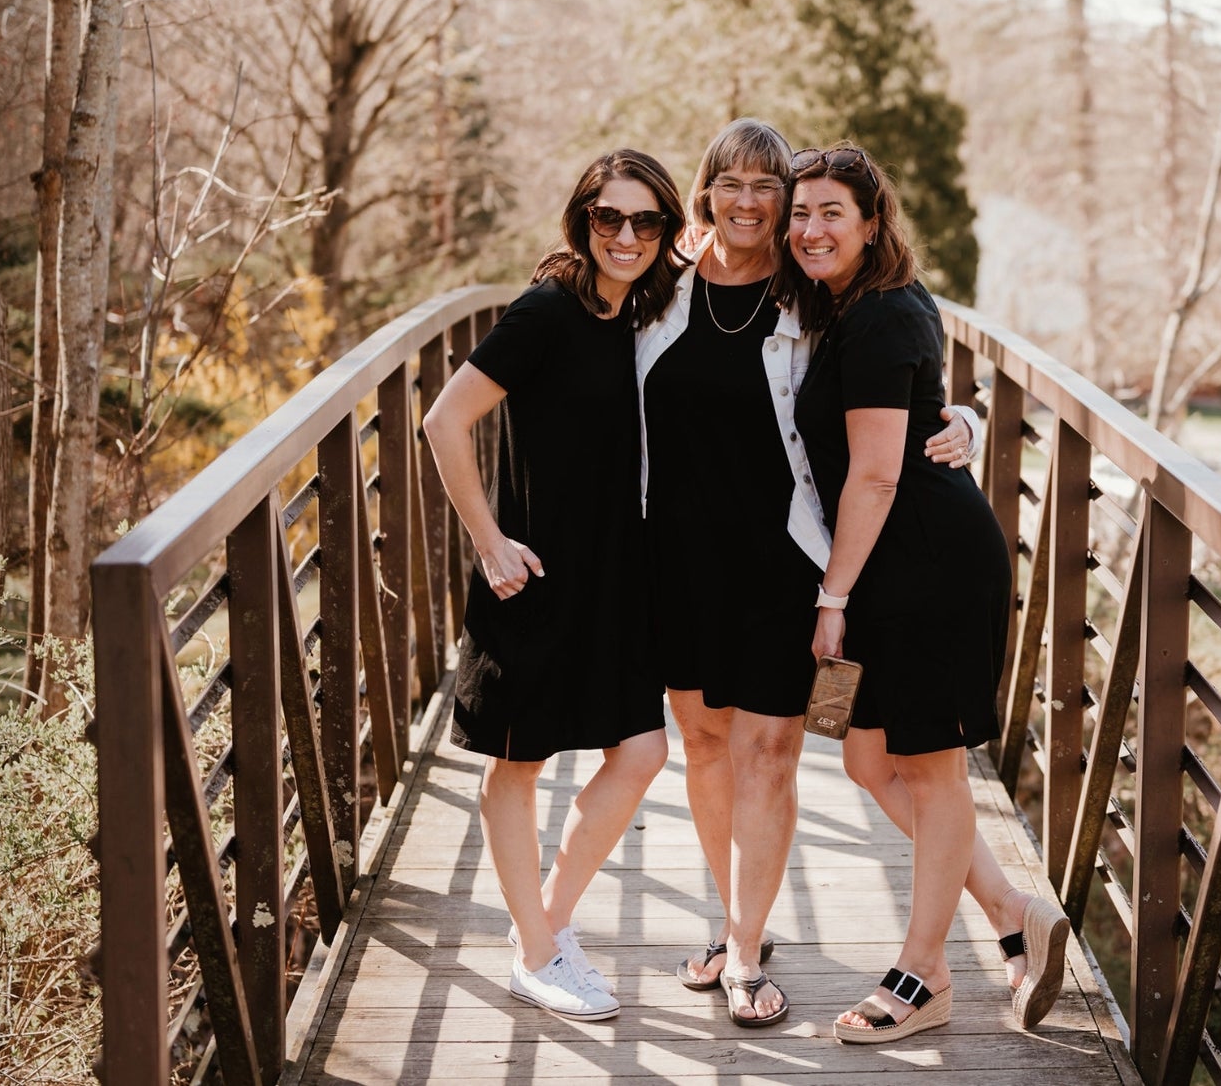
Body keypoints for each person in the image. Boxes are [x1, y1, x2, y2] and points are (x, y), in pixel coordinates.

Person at [636, 118, 984, 1028]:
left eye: (771, 189)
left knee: (771, 752)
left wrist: (968, 420)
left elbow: (910, 356)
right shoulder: (656, 291)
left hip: (788, 560)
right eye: (732, 184)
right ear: (704, 191)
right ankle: (732, 919)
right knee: (704, 748)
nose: (753, 204)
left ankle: (747, 951)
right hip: (676, 560)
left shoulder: (815, 296)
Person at [784, 141, 1062, 1044]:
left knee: (935, 773)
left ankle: (925, 972)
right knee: (865, 758)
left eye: (832, 212)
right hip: (880, 573)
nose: (811, 228)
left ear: (873, 223)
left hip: (928, 569)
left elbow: (872, 477)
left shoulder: (880, 316)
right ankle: (1015, 912)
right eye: (801, 212)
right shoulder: (848, 306)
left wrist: (831, 598)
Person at [422, 149, 683, 1022]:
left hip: (617, 576)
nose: (627, 236)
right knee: (519, 760)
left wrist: (953, 412)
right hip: (528, 576)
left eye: (646, 222)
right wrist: (489, 541)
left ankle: (545, 924)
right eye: (610, 218)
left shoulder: (641, 310)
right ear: (583, 219)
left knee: (643, 749)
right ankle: (538, 951)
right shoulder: (544, 311)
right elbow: (443, 419)